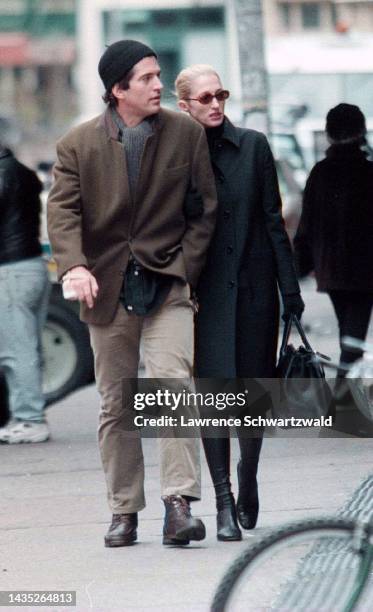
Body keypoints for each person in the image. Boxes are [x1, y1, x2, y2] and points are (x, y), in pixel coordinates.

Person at [47, 41, 217, 547]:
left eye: (159, 75)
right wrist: (74, 264)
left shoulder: (185, 134)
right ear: (117, 89)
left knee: (172, 385)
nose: (159, 85)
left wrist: (185, 267)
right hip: (107, 283)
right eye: (146, 78)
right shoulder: (77, 144)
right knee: (117, 402)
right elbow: (62, 212)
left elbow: (204, 209)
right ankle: (124, 510)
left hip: (167, 280)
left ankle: (179, 504)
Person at [175, 65, 304, 541]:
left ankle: (248, 472)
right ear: (184, 105)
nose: (215, 104)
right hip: (204, 295)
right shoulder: (177, 156)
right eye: (204, 97)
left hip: (255, 291)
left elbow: (273, 221)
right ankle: (224, 500)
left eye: (220, 95)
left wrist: (290, 294)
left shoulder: (253, 146)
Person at [294, 103, 373, 402]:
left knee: (348, 333)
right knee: (352, 338)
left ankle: (344, 402)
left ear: (328, 134)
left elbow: (306, 226)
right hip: (365, 272)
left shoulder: (320, 173)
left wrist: (297, 270)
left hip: (332, 272)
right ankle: (342, 405)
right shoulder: (369, 173)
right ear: (361, 132)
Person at [0, 144, 50, 444]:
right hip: (30, 266)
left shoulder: (4, 176)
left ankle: (30, 418)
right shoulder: (21, 171)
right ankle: (25, 417)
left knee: (17, 351)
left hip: (11, 271)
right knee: (27, 348)